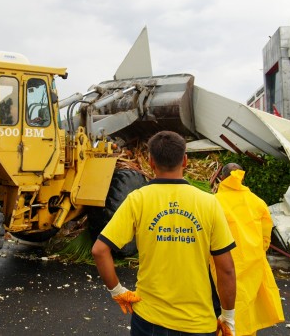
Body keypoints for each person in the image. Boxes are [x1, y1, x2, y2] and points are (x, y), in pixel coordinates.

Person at [91, 131, 237, 336]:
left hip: (148, 319)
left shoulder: (138, 199)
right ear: (185, 160)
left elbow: (99, 250)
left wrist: (118, 291)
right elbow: (226, 269)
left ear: (151, 161)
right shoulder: (209, 203)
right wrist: (228, 316)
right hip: (197, 323)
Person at [211, 163, 285, 336]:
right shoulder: (258, 202)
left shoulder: (214, 202)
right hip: (253, 263)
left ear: (222, 177)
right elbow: (265, 238)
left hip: (222, 263)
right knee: (248, 308)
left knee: (224, 308)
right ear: (242, 177)